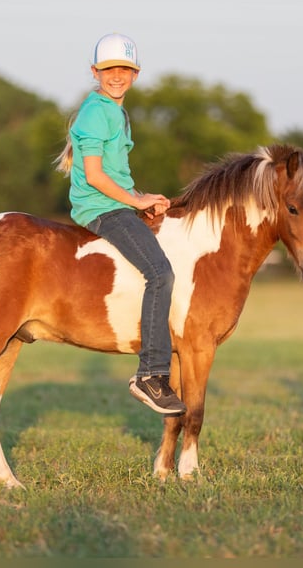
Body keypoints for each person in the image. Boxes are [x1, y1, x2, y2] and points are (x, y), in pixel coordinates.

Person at [55, 33, 186, 416]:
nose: (117, 75)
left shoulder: (114, 111)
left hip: (116, 204)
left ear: (136, 74)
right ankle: (150, 374)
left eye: (125, 69)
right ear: (95, 72)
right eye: (110, 69)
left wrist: (144, 198)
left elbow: (114, 172)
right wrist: (135, 201)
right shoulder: (97, 111)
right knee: (160, 273)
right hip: (101, 208)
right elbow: (94, 176)